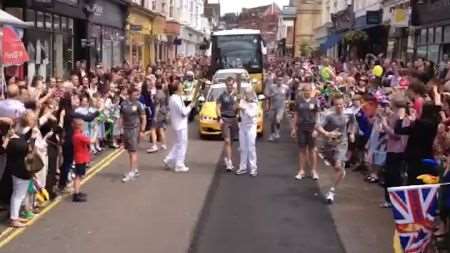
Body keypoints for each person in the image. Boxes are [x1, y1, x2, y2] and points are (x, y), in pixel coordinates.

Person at [317, 94, 356, 204]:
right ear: (333, 104)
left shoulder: (349, 113)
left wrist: (352, 133)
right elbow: (318, 126)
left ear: (344, 103)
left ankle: (332, 191)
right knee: (337, 169)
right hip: (329, 143)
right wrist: (326, 133)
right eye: (337, 104)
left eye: (341, 104)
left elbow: (353, 123)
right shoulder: (328, 114)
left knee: (339, 164)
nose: (339, 106)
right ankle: (340, 172)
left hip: (342, 142)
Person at [291, 83, 319, 180]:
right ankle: (301, 171)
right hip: (301, 127)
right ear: (303, 91)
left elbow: (317, 115)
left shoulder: (315, 101)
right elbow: (296, 114)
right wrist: (294, 128)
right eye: (305, 90)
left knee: (312, 150)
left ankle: (314, 171)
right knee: (302, 150)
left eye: (309, 90)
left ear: (311, 91)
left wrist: (316, 128)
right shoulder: (298, 101)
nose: (307, 92)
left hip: (311, 127)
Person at [164, 81, 194, 172]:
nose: (182, 86)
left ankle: (168, 159)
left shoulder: (175, 97)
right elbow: (184, 112)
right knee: (182, 145)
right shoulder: (175, 99)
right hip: (180, 125)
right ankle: (179, 164)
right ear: (177, 88)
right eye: (180, 85)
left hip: (178, 124)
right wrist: (190, 106)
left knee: (178, 144)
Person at [120, 87, 147, 183]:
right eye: (135, 94)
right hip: (126, 129)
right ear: (130, 94)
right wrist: (120, 129)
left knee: (133, 151)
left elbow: (144, 118)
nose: (137, 96)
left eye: (138, 94)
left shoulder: (139, 105)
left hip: (134, 130)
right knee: (130, 151)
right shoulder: (123, 104)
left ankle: (131, 173)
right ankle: (135, 170)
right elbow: (121, 116)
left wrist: (142, 131)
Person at [216, 77, 238, 171]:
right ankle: (229, 162)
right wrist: (219, 118)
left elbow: (237, 108)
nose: (230, 86)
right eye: (228, 85)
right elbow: (217, 107)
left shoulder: (236, 95)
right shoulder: (222, 96)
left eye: (231, 85)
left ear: (233, 85)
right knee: (227, 140)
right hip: (225, 119)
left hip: (233, 119)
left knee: (231, 141)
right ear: (226, 85)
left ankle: (227, 157)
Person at [72, 118, 97, 202]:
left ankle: (77, 192)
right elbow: (92, 141)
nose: (84, 127)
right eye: (83, 125)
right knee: (78, 176)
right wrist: (95, 131)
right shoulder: (79, 136)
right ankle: (76, 194)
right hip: (80, 158)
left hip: (80, 157)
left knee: (79, 176)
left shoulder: (77, 134)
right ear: (79, 126)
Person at [235, 89, 259, 176]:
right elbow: (236, 109)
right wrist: (237, 99)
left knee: (251, 148)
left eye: (249, 94)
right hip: (243, 127)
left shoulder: (255, 104)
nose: (247, 95)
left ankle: (253, 168)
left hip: (251, 127)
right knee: (242, 148)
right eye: (246, 94)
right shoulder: (242, 101)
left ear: (252, 94)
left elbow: (251, 114)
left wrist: (243, 108)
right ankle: (243, 167)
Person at [266, 73, 289, 141]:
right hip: (273, 106)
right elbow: (267, 96)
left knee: (278, 119)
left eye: (281, 80)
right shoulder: (272, 87)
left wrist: (288, 100)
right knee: (272, 121)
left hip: (281, 107)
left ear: (282, 81)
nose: (279, 81)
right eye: (278, 80)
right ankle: (272, 134)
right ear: (276, 81)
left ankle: (277, 132)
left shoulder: (286, 87)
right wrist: (271, 95)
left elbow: (289, 93)